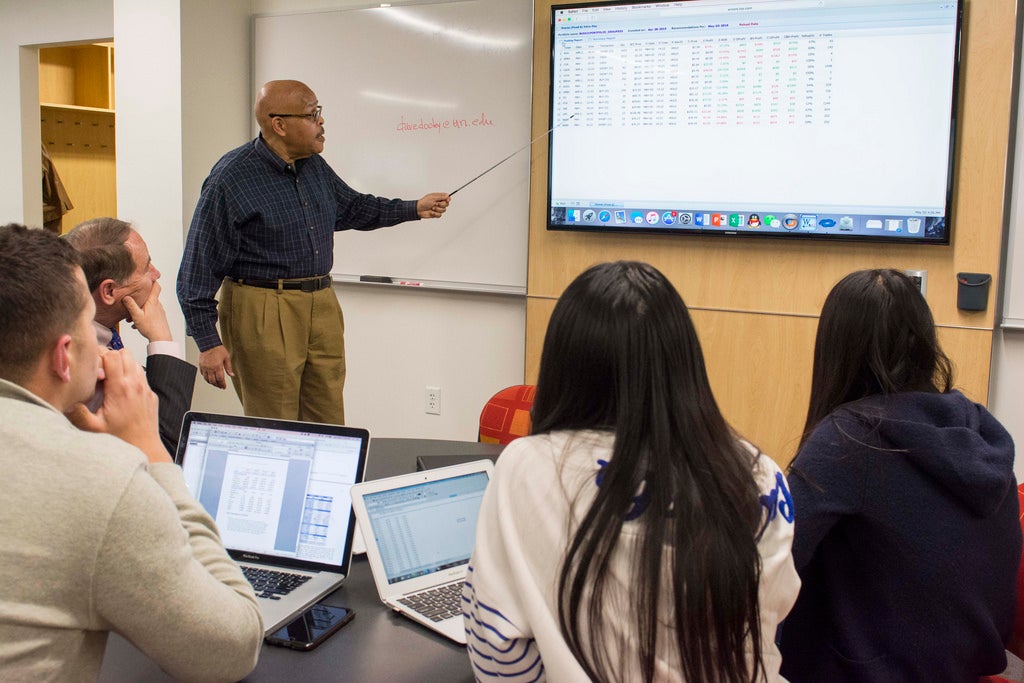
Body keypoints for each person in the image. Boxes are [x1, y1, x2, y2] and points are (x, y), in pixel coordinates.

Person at [463, 261, 800, 682]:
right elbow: (774, 612)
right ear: (684, 361)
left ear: (563, 366)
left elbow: (497, 650)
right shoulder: (760, 473)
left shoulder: (529, 466)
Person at [0, 224, 263, 681]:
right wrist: (150, 453)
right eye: (87, 324)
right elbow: (232, 646)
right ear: (64, 356)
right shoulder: (102, 483)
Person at [778, 269, 1021, 681]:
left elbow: (771, 558)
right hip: (968, 666)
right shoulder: (977, 426)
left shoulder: (850, 438)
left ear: (835, 350)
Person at [177, 79, 451, 424]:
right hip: (262, 308)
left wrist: (414, 208)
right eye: (313, 114)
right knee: (275, 424)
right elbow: (196, 268)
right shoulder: (231, 177)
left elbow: (353, 208)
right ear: (279, 124)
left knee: (329, 419)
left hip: (321, 304)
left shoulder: (312, 166)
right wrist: (207, 341)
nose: (322, 123)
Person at [65, 217, 196, 454]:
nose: (156, 275)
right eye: (147, 267)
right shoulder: (85, 363)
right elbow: (164, 450)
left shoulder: (90, 331)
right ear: (110, 291)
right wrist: (162, 340)